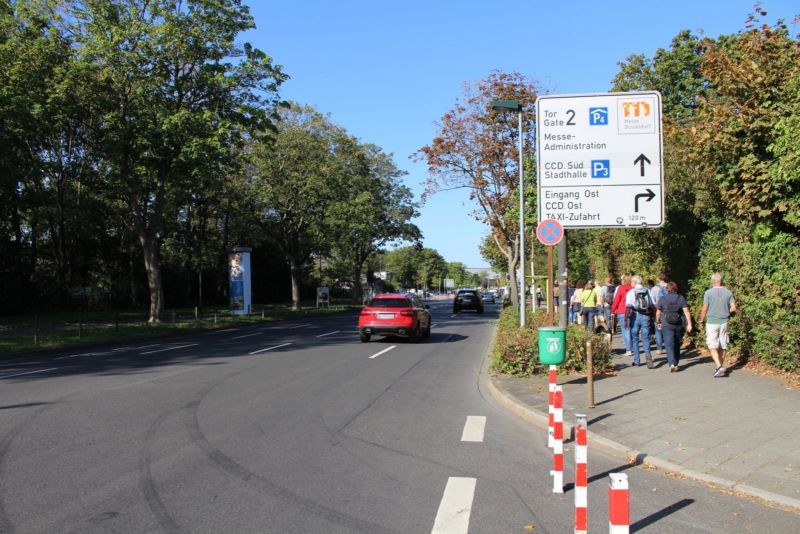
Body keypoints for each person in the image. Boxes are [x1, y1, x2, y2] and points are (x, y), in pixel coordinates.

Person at [698, 272, 737, 377]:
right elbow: (733, 308)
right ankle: (719, 366)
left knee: (712, 345)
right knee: (723, 345)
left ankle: (719, 366)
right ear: (721, 281)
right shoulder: (728, 292)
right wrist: (726, 311)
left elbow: (705, 308)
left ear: (712, 282)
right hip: (724, 321)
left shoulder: (708, 293)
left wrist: (701, 320)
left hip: (711, 322)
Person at [655, 281, 693, 372]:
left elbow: (658, 313)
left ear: (667, 289)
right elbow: (686, 312)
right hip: (679, 324)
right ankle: (675, 362)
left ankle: (671, 363)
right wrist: (689, 324)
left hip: (666, 324)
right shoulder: (681, 298)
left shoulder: (662, 299)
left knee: (668, 344)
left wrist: (658, 321)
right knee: (677, 343)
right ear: (676, 288)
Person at [625, 274, 654, 368]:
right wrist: (653, 316)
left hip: (635, 316)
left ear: (635, 282)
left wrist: (626, 319)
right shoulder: (647, 291)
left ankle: (637, 361)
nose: (631, 283)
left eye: (632, 282)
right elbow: (652, 304)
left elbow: (628, 307)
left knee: (635, 338)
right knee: (646, 338)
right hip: (646, 316)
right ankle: (648, 357)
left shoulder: (631, 292)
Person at [611, 274, 633, 356]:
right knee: (631, 330)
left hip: (622, 311)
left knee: (625, 330)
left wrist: (613, 310)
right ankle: (633, 347)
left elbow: (616, 300)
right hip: (631, 311)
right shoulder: (632, 288)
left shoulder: (621, 288)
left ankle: (629, 349)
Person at [650, 274, 668, 355]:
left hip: (658, 309)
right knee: (668, 329)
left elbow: (652, 301)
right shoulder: (669, 286)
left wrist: (655, 309)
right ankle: (668, 347)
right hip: (668, 310)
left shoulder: (654, 288)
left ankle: (660, 348)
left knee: (658, 329)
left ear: (658, 279)